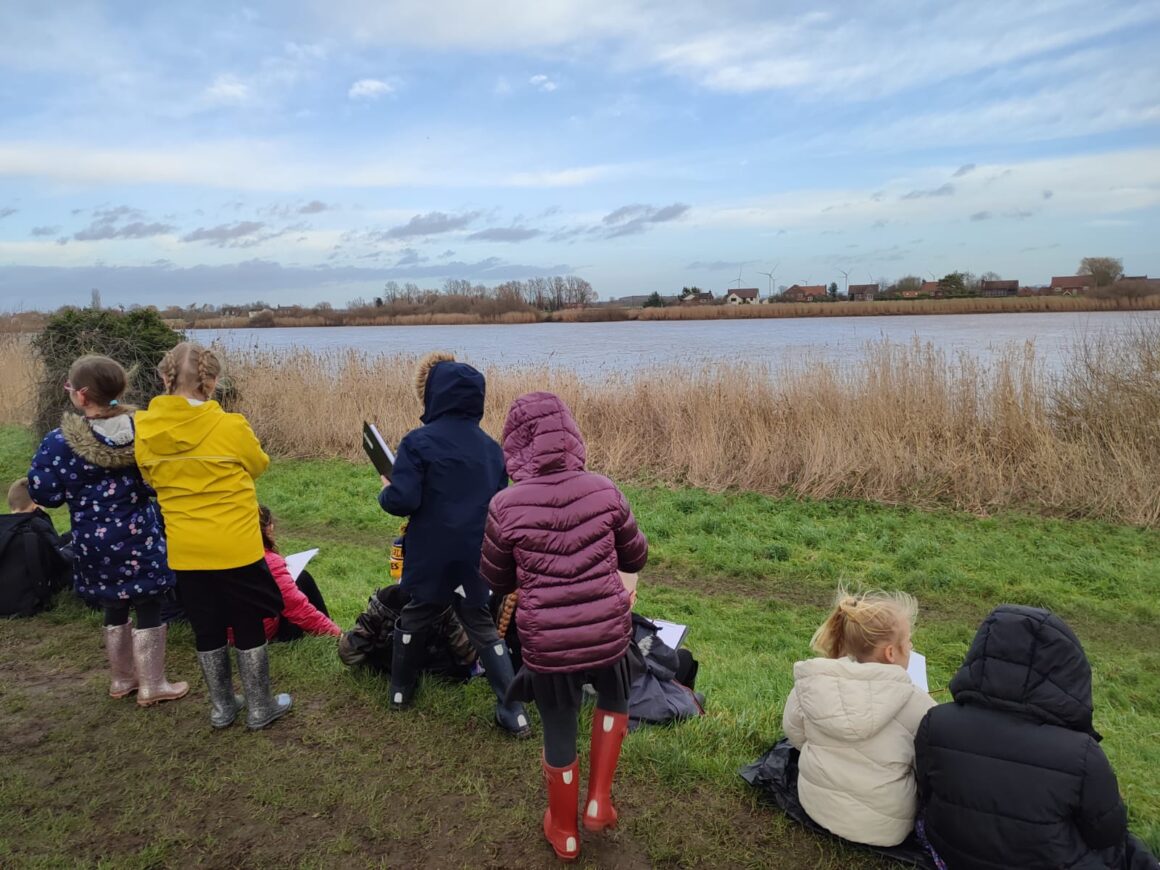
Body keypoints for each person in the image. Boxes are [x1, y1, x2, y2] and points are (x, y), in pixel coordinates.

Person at [480, 391, 649, 862]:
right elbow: (636, 555)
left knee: (559, 726)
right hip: (607, 630)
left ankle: (565, 831)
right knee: (615, 696)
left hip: (548, 641)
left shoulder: (505, 504)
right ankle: (599, 802)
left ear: (514, 446)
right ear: (571, 435)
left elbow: (496, 578)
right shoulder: (604, 488)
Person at [915, 604, 1159, 870]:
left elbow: (926, 792)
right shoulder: (1081, 754)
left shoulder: (936, 721)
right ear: (1066, 668)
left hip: (952, 852)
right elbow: (1106, 833)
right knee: (1125, 848)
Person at [135, 342, 291, 730]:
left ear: (164, 377)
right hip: (235, 543)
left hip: (187, 547)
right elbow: (258, 465)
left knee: (206, 624)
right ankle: (259, 706)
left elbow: (149, 478)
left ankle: (222, 707)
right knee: (247, 618)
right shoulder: (230, 425)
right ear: (214, 381)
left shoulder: (145, 427)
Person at [378, 351, 529, 738]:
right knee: (481, 625)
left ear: (433, 396)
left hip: (431, 552)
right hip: (475, 554)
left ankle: (399, 691)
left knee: (415, 615)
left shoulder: (417, 442)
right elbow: (499, 507)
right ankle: (513, 709)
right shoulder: (492, 450)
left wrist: (386, 491)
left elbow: (404, 501)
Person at [26, 356, 187, 704]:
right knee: (149, 602)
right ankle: (153, 684)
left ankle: (121, 679)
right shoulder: (144, 431)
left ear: (82, 396)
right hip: (140, 533)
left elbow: (43, 493)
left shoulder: (59, 443)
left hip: (91, 540)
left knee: (112, 603)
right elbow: (159, 479)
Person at [781, 588, 934, 848]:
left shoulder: (812, 685)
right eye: (908, 642)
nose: (911, 647)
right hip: (885, 828)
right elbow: (928, 771)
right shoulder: (920, 706)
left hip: (816, 804)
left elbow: (794, 736)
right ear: (890, 653)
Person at [258, 505, 340, 642]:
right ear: (269, 529)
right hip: (257, 632)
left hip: (224, 632)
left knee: (299, 579)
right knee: (303, 578)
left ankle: (327, 627)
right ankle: (330, 633)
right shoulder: (268, 561)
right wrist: (339, 635)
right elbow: (297, 608)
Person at [0, 478, 73, 617]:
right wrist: (73, 548)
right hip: (28, 601)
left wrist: (70, 536)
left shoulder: (5, 527)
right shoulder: (36, 525)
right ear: (36, 503)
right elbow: (59, 561)